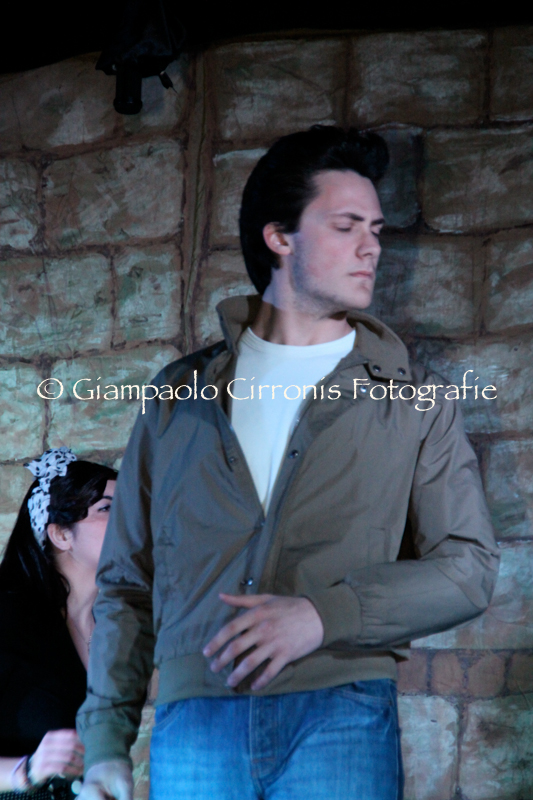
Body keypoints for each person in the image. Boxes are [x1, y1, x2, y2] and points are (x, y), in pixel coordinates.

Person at [77, 126, 500, 800]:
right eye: (345, 226)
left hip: (340, 715)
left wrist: (323, 615)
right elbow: (127, 581)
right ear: (279, 237)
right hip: (195, 725)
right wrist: (106, 742)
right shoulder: (178, 397)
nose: (372, 247)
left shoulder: (413, 401)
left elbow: (468, 569)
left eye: (376, 229)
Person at [0, 447, 117, 800]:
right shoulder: (6, 619)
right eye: (108, 508)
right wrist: (25, 771)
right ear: (61, 535)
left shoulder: (115, 629)